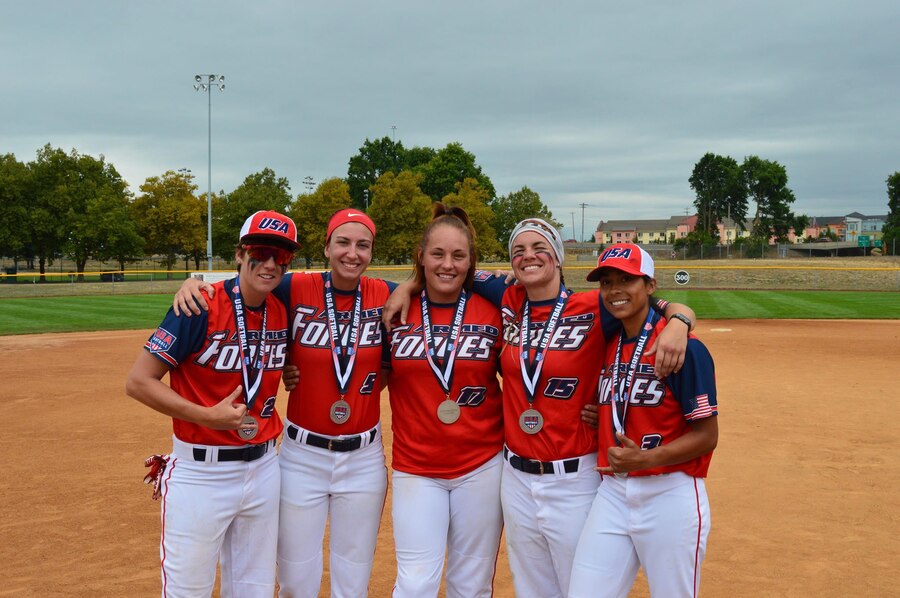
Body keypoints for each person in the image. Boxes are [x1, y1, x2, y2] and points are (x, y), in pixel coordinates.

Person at [383, 217, 696, 598]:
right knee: (531, 587)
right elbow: (443, 272)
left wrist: (679, 319)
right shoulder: (507, 297)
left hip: (574, 476)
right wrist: (409, 285)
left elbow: (645, 302)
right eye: (519, 250)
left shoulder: (593, 306)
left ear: (558, 257)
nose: (528, 256)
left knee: (579, 587)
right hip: (515, 477)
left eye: (539, 249)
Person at [174, 208, 393, 598]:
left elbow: (432, 282)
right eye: (342, 242)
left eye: (363, 245)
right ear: (326, 248)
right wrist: (195, 282)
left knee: (354, 577)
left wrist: (410, 287)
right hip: (301, 456)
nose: (352, 253)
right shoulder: (295, 287)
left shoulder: (385, 293)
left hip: (364, 457)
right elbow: (246, 282)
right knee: (295, 578)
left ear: (372, 252)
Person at [126, 210, 300, 597]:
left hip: (264, 468)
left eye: (282, 256)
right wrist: (207, 416)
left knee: (254, 590)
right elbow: (138, 381)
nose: (271, 263)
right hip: (201, 472)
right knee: (188, 590)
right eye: (260, 252)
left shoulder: (280, 309)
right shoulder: (198, 305)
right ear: (239, 253)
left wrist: (290, 370)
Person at [568, 243, 718, 598]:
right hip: (613, 493)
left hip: (669, 492)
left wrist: (646, 459)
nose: (615, 290)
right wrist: (607, 416)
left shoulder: (683, 348)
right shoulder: (610, 341)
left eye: (626, 280)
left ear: (650, 285)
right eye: (606, 282)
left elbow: (707, 435)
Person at [384, 203, 504, 597]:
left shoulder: (495, 310)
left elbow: (527, 376)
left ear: (471, 261)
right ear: (421, 256)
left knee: (471, 584)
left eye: (458, 255)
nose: (448, 264)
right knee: (416, 583)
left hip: (482, 467)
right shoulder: (396, 309)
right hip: (417, 468)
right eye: (437, 254)